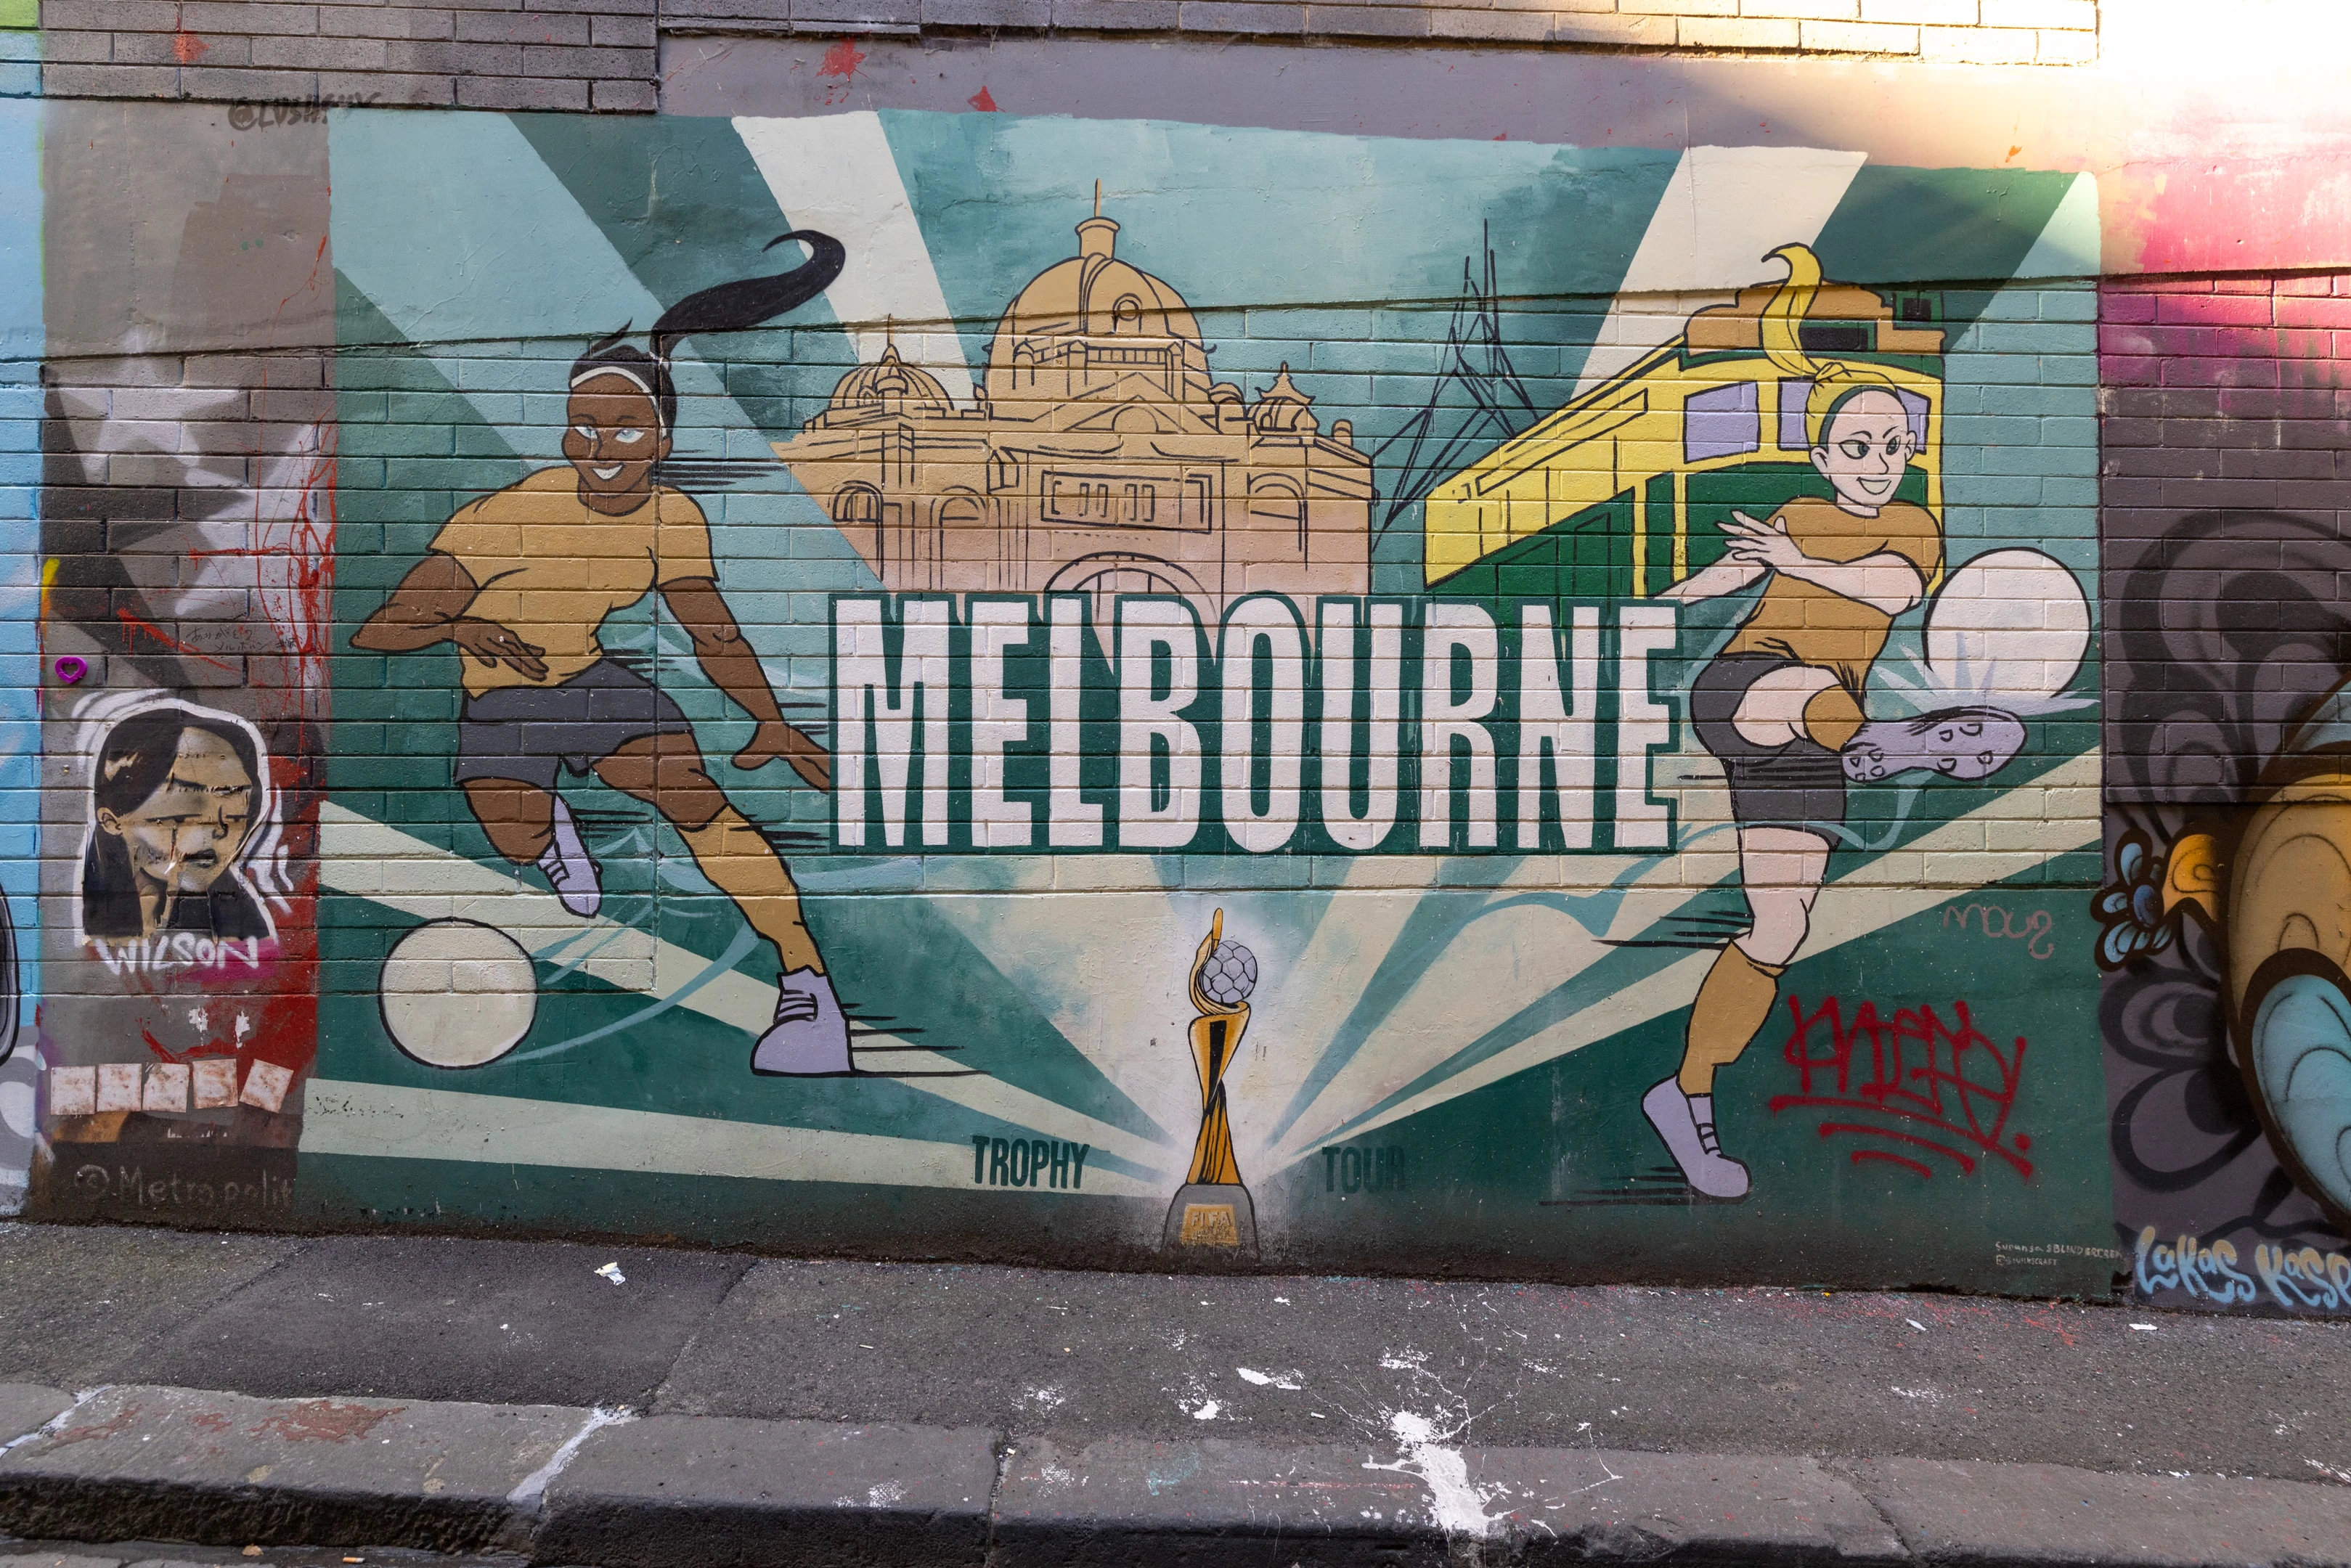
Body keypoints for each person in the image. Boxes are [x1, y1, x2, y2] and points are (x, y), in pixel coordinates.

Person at [351, 232, 856, 1076]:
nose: (600, 447)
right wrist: (460, 628)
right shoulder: (503, 518)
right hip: (502, 702)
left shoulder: (672, 520)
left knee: (700, 806)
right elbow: (381, 629)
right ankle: (550, 832)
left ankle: (807, 986)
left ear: (660, 442)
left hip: (592, 686)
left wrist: (770, 721)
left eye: (624, 430)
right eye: (583, 427)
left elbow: (715, 633)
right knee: (511, 839)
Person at [1641, 245, 2025, 1200]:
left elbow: (1884, 589)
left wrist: (1790, 559)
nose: (1877, 462)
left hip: (1816, 733)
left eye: (1893, 447)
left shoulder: (1912, 531)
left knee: (1779, 924)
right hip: (1746, 693)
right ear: (1821, 456)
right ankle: (1885, 746)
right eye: (1856, 447)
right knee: (1808, 682)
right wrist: (1662, 599)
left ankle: (1684, 1093)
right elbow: (1732, 576)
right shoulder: (1800, 513)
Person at [81, 702, 274, 944]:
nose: (221, 828)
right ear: (112, 820)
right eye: (189, 795)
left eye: (234, 796)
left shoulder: (246, 941)